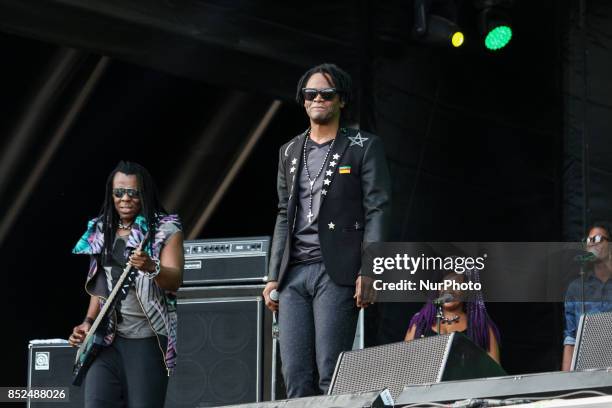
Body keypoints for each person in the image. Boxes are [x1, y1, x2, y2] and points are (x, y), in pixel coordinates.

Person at [262, 63, 391, 397]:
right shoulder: (289, 151)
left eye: (326, 93)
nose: (317, 98)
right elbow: (282, 213)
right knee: (294, 373)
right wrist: (272, 276)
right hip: (293, 275)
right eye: (311, 93)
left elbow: (377, 207)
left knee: (331, 370)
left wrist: (370, 267)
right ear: (303, 101)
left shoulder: (363, 145)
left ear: (341, 100)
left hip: (336, 270)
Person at [68, 161, 184, 408]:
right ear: (111, 194)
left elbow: (175, 279)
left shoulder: (165, 229)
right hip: (105, 340)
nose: (125, 199)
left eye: (133, 192)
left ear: (144, 194)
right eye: (119, 192)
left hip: (146, 339)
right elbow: (100, 286)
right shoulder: (102, 229)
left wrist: (152, 267)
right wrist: (88, 322)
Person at [404, 270, 501, 364]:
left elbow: (495, 374)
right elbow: (403, 363)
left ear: (466, 292)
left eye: (456, 285)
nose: (449, 290)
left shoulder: (482, 327)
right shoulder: (420, 323)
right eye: (445, 284)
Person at [562, 221, 612, 371]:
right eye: (589, 241)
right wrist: (566, 384)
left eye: (597, 239)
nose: (592, 244)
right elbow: (570, 339)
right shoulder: (576, 288)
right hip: (587, 371)